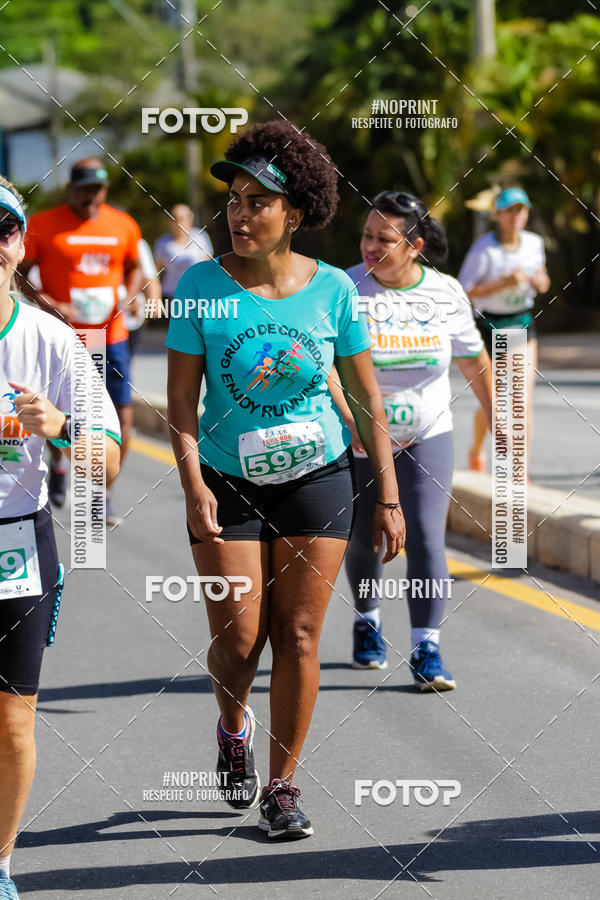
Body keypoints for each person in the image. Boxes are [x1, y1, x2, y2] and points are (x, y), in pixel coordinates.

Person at [166, 121, 404, 840]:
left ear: (293, 214)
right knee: (240, 642)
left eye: (257, 202)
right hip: (227, 479)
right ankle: (232, 726)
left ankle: (282, 787)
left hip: (318, 476)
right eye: (233, 200)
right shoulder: (201, 285)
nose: (240, 214)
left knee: (299, 635)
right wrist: (193, 486)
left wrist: (387, 495)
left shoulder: (332, 290)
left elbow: (366, 400)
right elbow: (179, 401)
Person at [0, 176, 121, 900]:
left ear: (19, 245)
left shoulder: (48, 339)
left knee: (12, 722)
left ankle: (0, 863)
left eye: (2, 229)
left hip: (16, 544)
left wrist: (65, 429)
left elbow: (107, 461)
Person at [330, 190, 493, 686]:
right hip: (358, 436)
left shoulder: (444, 293)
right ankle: (367, 621)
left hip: (427, 432)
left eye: (385, 239)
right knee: (362, 536)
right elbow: (329, 369)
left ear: (415, 244)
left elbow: (472, 359)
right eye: (366, 236)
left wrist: (500, 419)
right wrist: (352, 425)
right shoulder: (344, 289)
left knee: (423, 535)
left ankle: (427, 649)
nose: (370, 247)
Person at [17, 158, 143, 523]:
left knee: (122, 418)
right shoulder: (43, 224)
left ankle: (103, 493)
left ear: (105, 190)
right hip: (64, 337)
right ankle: (58, 463)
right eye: (84, 188)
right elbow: (20, 272)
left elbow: (135, 268)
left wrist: (130, 296)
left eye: (98, 188)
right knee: (59, 414)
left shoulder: (123, 225)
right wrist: (46, 302)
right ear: (71, 188)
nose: (91, 195)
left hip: (111, 336)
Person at [458, 187, 550, 473]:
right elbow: (464, 291)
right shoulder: (484, 249)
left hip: (521, 323)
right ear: (498, 214)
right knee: (494, 401)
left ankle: (521, 473)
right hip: (490, 325)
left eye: (521, 209)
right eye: (509, 210)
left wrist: (540, 282)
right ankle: (475, 451)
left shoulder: (534, 243)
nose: (516, 216)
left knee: (521, 398)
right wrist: (503, 283)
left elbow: (544, 279)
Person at [154, 203, 212, 302]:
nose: (178, 222)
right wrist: (155, 298)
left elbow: (207, 266)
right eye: (174, 218)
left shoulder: (200, 237)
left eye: (182, 218)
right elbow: (155, 272)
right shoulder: (163, 242)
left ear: (190, 219)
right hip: (170, 297)